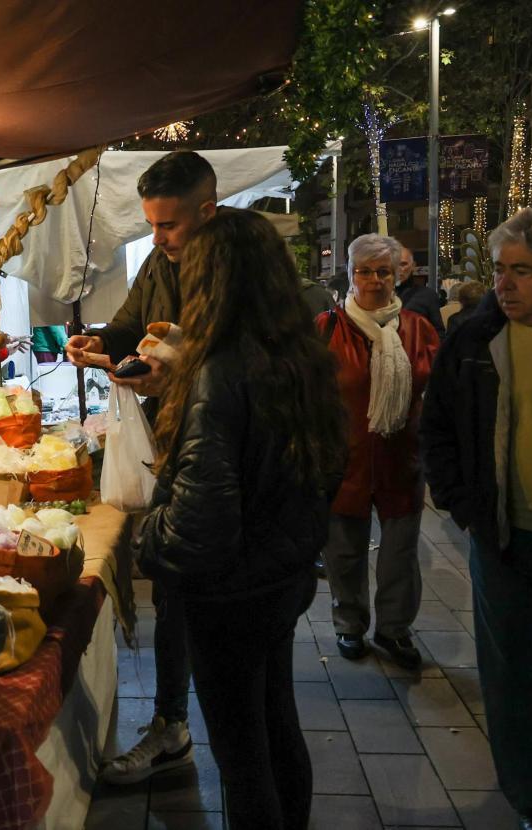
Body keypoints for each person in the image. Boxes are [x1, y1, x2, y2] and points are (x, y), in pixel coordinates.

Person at [135, 210, 347, 829]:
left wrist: (145, 539)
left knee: (242, 758)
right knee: (278, 726)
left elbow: (198, 527)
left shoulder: (220, 371)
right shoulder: (301, 355)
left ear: (213, 282)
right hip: (281, 578)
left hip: (230, 595)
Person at [67, 151, 218, 784]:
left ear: (207, 211)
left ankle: (186, 720)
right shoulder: (159, 261)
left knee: (208, 597)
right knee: (177, 587)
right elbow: (132, 326)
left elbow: (237, 363)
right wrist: (99, 341)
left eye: (169, 226)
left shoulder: (235, 270)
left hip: (214, 452)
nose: (157, 239)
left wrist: (181, 366)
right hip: (169, 443)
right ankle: (171, 723)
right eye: (152, 225)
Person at [420, 208, 532, 830]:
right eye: (499, 270)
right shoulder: (473, 337)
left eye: (523, 271)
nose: (505, 284)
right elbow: (437, 426)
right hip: (503, 534)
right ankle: (528, 796)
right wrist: (464, 509)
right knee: (511, 672)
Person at [317, 234, 439, 669]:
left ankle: (394, 629)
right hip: (342, 461)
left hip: (401, 460)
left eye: (383, 271)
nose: (374, 280)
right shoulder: (326, 329)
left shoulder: (417, 329)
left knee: (399, 555)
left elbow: (438, 394)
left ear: (398, 276)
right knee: (344, 553)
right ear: (350, 275)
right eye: (364, 271)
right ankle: (349, 625)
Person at [396, 245, 445, 336]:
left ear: (413, 266)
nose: (398, 269)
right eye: (394, 264)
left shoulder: (427, 295)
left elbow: (438, 333)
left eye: (403, 264)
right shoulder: (380, 295)